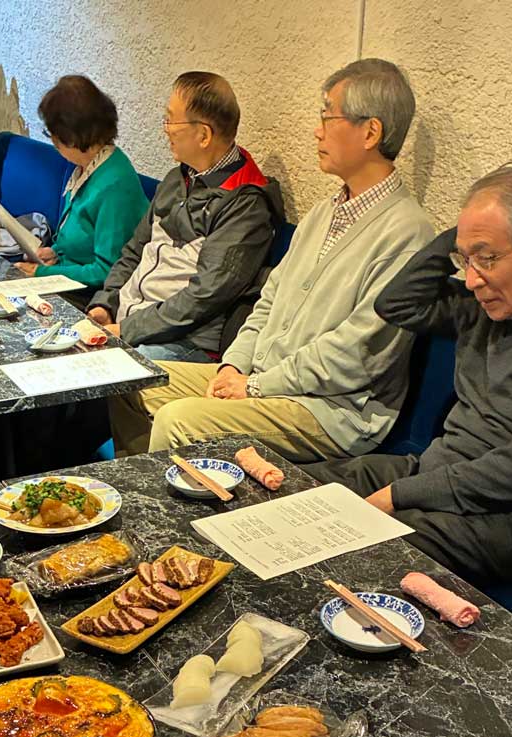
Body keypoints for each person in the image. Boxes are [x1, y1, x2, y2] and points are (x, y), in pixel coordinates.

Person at [109, 59, 434, 458]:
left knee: (179, 420)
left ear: (370, 132)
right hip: (266, 379)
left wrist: (256, 385)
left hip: (329, 410)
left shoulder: (407, 233)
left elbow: (357, 354)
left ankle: (159, 495)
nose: (317, 130)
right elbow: (268, 301)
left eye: (328, 116)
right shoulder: (325, 211)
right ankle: (145, 484)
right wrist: (234, 365)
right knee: (127, 379)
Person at [303, 163, 512, 583]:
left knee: (361, 547)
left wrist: (400, 496)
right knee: (299, 487)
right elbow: (397, 304)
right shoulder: (484, 306)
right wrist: (465, 236)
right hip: (437, 472)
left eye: (488, 258)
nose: (471, 280)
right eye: (465, 260)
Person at [87, 71, 283, 362]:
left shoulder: (245, 205)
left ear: (203, 135)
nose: (165, 130)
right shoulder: (176, 179)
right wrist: (105, 304)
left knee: (104, 368)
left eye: (170, 121)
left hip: (185, 343)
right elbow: (134, 251)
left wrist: (126, 329)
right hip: (129, 324)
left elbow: (204, 297)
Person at [15, 75, 149, 289]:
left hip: (94, 294)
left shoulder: (115, 185)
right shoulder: (86, 165)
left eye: (53, 133)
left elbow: (107, 272)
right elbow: (78, 241)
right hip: (69, 277)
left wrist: (43, 273)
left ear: (72, 135)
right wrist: (55, 253)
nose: (53, 140)